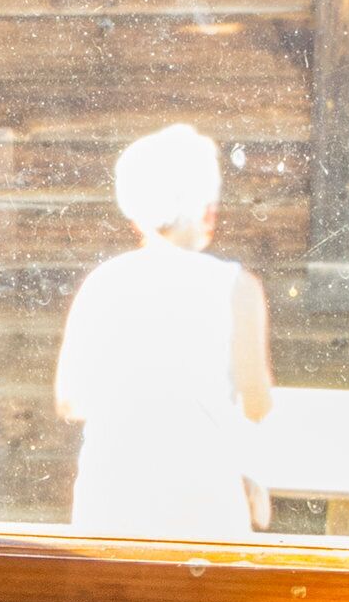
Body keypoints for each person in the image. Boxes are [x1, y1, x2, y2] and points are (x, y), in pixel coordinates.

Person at [54, 124, 274, 538]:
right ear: (207, 209)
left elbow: (70, 399)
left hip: (110, 500)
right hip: (202, 503)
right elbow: (257, 403)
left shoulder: (102, 282)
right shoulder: (236, 287)